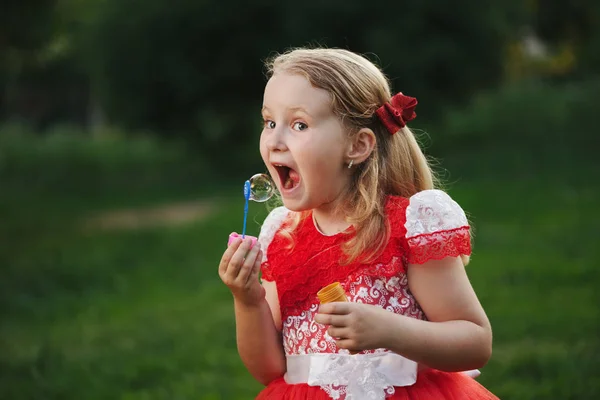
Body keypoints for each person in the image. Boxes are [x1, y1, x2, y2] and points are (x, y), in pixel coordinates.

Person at [218, 47, 498, 399]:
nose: (274, 141)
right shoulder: (283, 237)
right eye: (270, 122)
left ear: (358, 145)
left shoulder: (407, 225)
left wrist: (391, 331)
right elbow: (270, 370)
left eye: (299, 124)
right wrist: (247, 300)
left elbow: (475, 342)